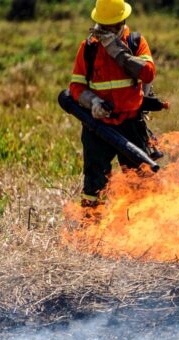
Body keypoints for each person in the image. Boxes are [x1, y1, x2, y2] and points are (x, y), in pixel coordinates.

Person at [68, 0, 156, 207]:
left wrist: (118, 52)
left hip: (131, 123)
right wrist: (93, 103)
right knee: (94, 180)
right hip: (98, 126)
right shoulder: (88, 48)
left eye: (113, 26)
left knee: (139, 179)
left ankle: (141, 226)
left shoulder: (135, 42)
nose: (108, 30)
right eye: (104, 26)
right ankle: (90, 227)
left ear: (123, 21)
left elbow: (148, 73)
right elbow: (76, 88)